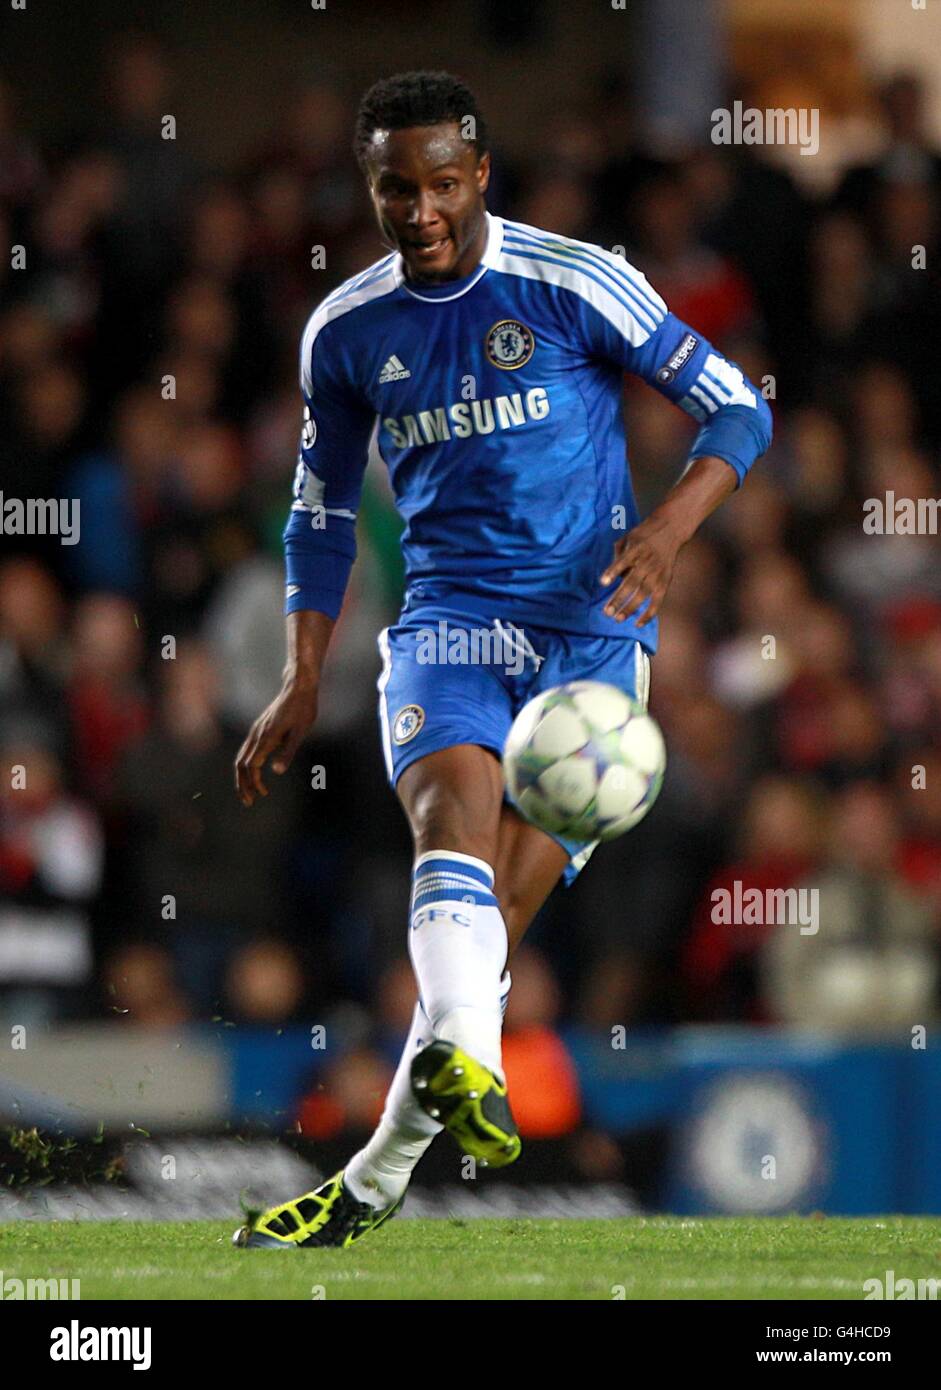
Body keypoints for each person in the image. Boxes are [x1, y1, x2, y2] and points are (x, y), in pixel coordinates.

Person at [232, 71, 771, 1249]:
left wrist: (667, 534)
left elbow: (736, 409)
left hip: (591, 642)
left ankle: (372, 1177)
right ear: (367, 188)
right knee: (448, 829)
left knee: (480, 953)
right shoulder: (346, 329)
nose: (417, 209)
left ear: (479, 176)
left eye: (438, 184)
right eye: (392, 188)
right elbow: (319, 513)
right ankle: (466, 1070)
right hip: (446, 626)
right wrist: (301, 668)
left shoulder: (575, 281)